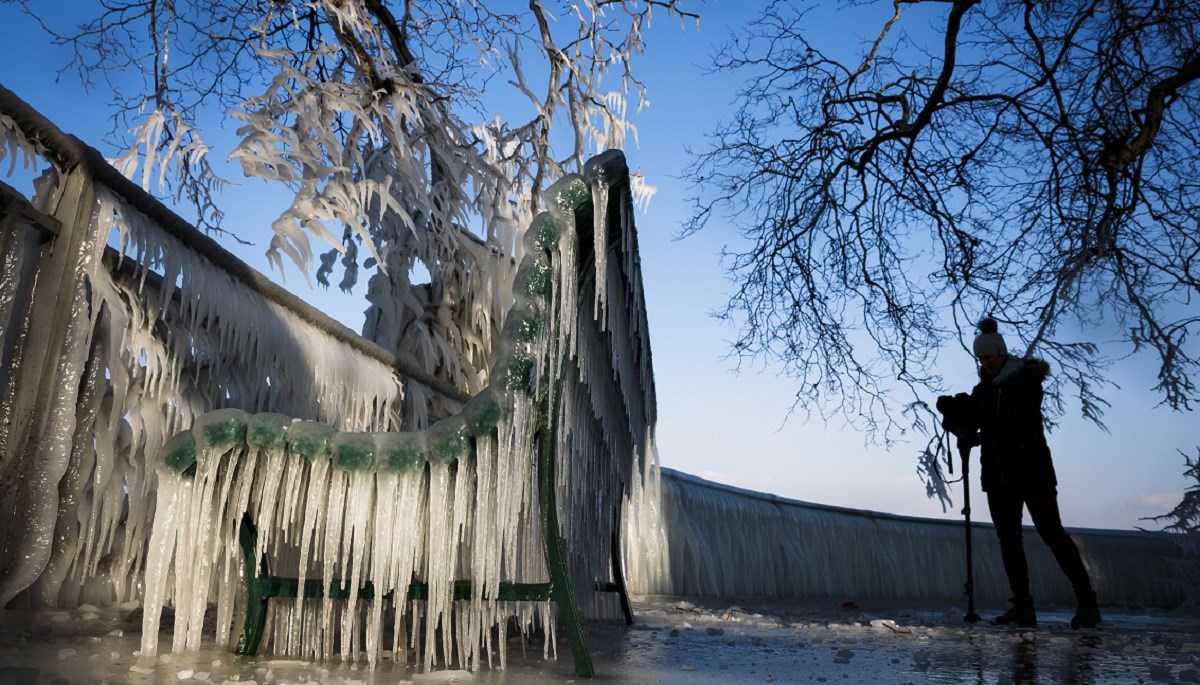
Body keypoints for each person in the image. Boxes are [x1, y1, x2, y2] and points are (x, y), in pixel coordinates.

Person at [959, 317, 1101, 629]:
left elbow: (1018, 425)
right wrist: (957, 419)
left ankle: (1087, 601)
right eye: (981, 359)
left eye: (990, 357)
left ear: (1002, 353)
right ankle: (1022, 605)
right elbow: (973, 424)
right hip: (997, 476)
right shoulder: (982, 391)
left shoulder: (1026, 384)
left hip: (1032, 471)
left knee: (1052, 533)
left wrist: (983, 436)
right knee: (1008, 540)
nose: (986, 363)